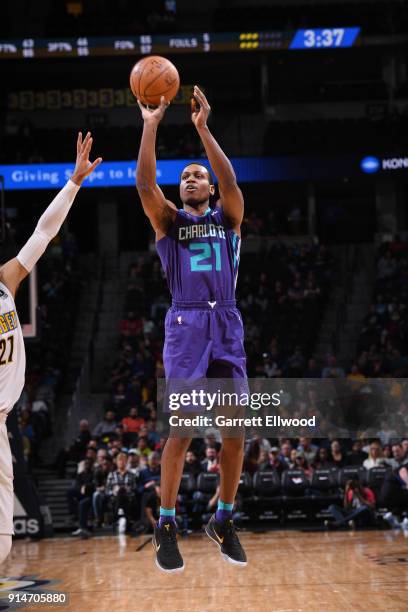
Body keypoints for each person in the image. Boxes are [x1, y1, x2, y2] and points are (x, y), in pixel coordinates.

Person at [136, 86, 247, 572]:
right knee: (181, 430)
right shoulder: (169, 221)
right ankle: (165, 522)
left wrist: (203, 129)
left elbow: (231, 179)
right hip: (186, 323)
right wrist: (150, 124)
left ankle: (223, 518)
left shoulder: (229, 217)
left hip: (226, 319)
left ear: (210, 188)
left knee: (236, 431)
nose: (191, 179)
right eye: (184, 176)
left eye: (197, 175)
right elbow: (144, 186)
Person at [0, 132, 101, 565]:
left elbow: (43, 233)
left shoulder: (5, 282)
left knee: (3, 543)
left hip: (1, 422)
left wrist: (73, 182)